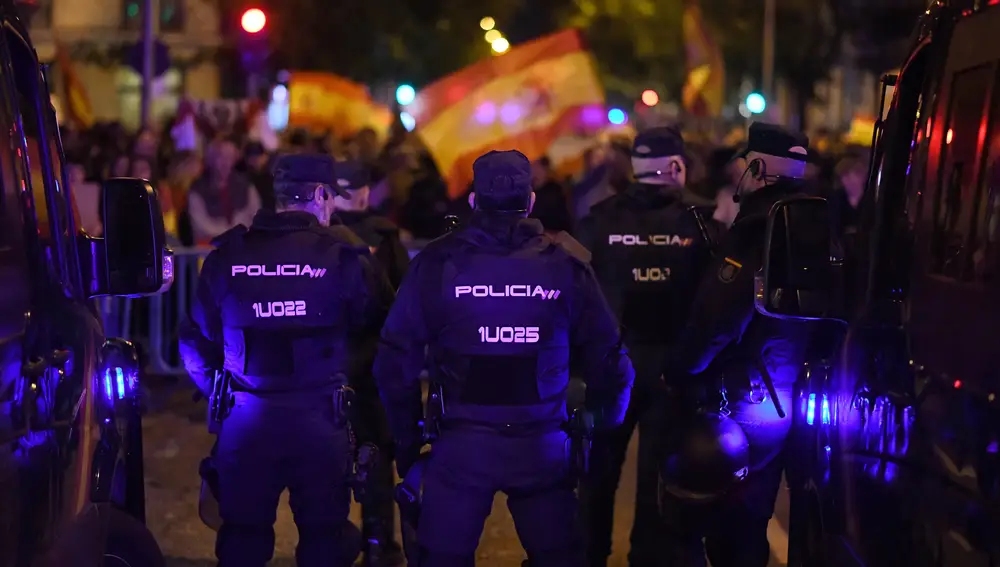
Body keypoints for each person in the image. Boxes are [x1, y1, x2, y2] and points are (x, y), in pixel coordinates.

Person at [374, 149, 635, 567]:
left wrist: (410, 443)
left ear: (474, 201)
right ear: (530, 201)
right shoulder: (566, 265)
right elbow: (613, 362)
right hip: (544, 447)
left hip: (460, 447)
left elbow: (392, 362)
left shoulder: (438, 263)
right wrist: (597, 426)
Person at [178, 153, 394, 567]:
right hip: (319, 423)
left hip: (246, 422)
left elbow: (192, 340)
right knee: (325, 542)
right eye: (330, 198)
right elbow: (385, 327)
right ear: (318, 194)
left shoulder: (228, 255)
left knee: (241, 540)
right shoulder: (345, 257)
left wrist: (222, 391)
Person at [661, 123, 817, 567]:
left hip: (744, 401)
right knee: (757, 519)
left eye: (747, 163)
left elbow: (717, 320)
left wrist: (679, 369)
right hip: (792, 396)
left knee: (729, 532)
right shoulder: (819, 223)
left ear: (760, 167)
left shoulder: (757, 229)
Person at [575, 127, 713, 567]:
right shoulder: (701, 223)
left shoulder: (598, 221)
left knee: (595, 474)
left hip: (608, 368)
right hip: (674, 370)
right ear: (676, 167)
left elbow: (574, 296)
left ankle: (586, 556)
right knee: (658, 480)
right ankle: (648, 560)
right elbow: (717, 304)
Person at [331, 158, 409, 566]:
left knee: (329, 458)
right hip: (374, 366)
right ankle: (380, 542)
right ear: (365, 192)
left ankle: (330, 541)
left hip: (326, 366)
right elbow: (402, 299)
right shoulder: (384, 236)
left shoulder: (318, 236)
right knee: (376, 454)